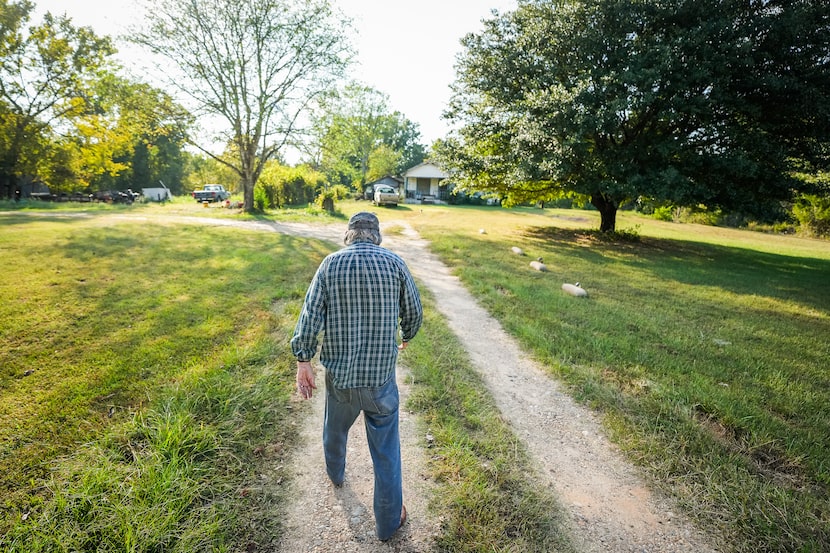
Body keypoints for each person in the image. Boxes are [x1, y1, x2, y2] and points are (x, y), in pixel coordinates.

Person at [290, 211, 423, 541]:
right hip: (380, 382)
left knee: (334, 429)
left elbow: (309, 316)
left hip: (341, 380)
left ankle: (336, 475)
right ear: (376, 236)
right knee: (386, 453)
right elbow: (415, 312)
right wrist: (407, 334)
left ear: (348, 235)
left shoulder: (331, 264)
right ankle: (389, 524)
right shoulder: (394, 263)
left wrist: (303, 360)